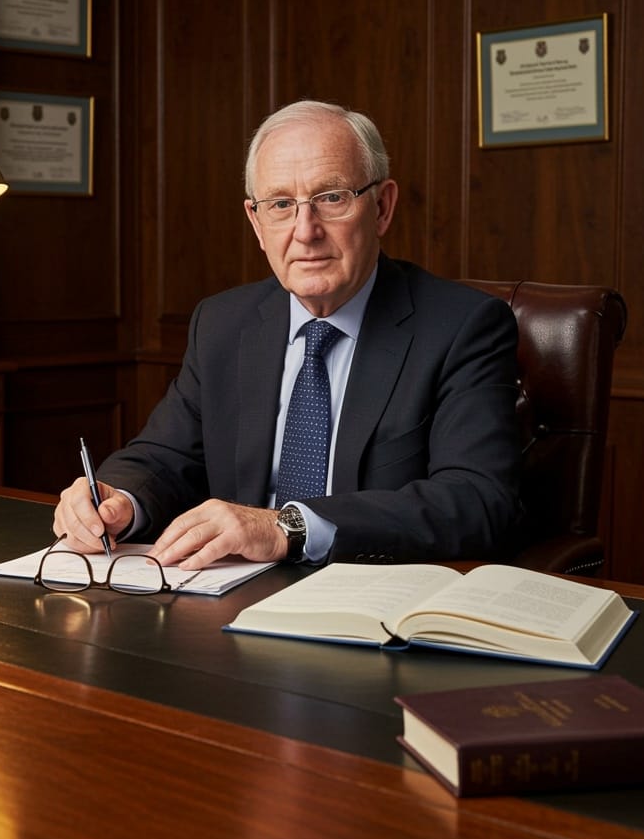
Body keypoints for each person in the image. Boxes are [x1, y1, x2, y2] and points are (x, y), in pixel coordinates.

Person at [54, 100, 522, 570]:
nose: (305, 231)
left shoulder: (462, 327)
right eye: (281, 205)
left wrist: (286, 527)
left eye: (332, 197)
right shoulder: (223, 323)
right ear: (257, 223)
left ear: (381, 207)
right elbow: (163, 455)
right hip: (232, 594)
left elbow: (478, 499)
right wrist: (116, 500)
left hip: (372, 592)